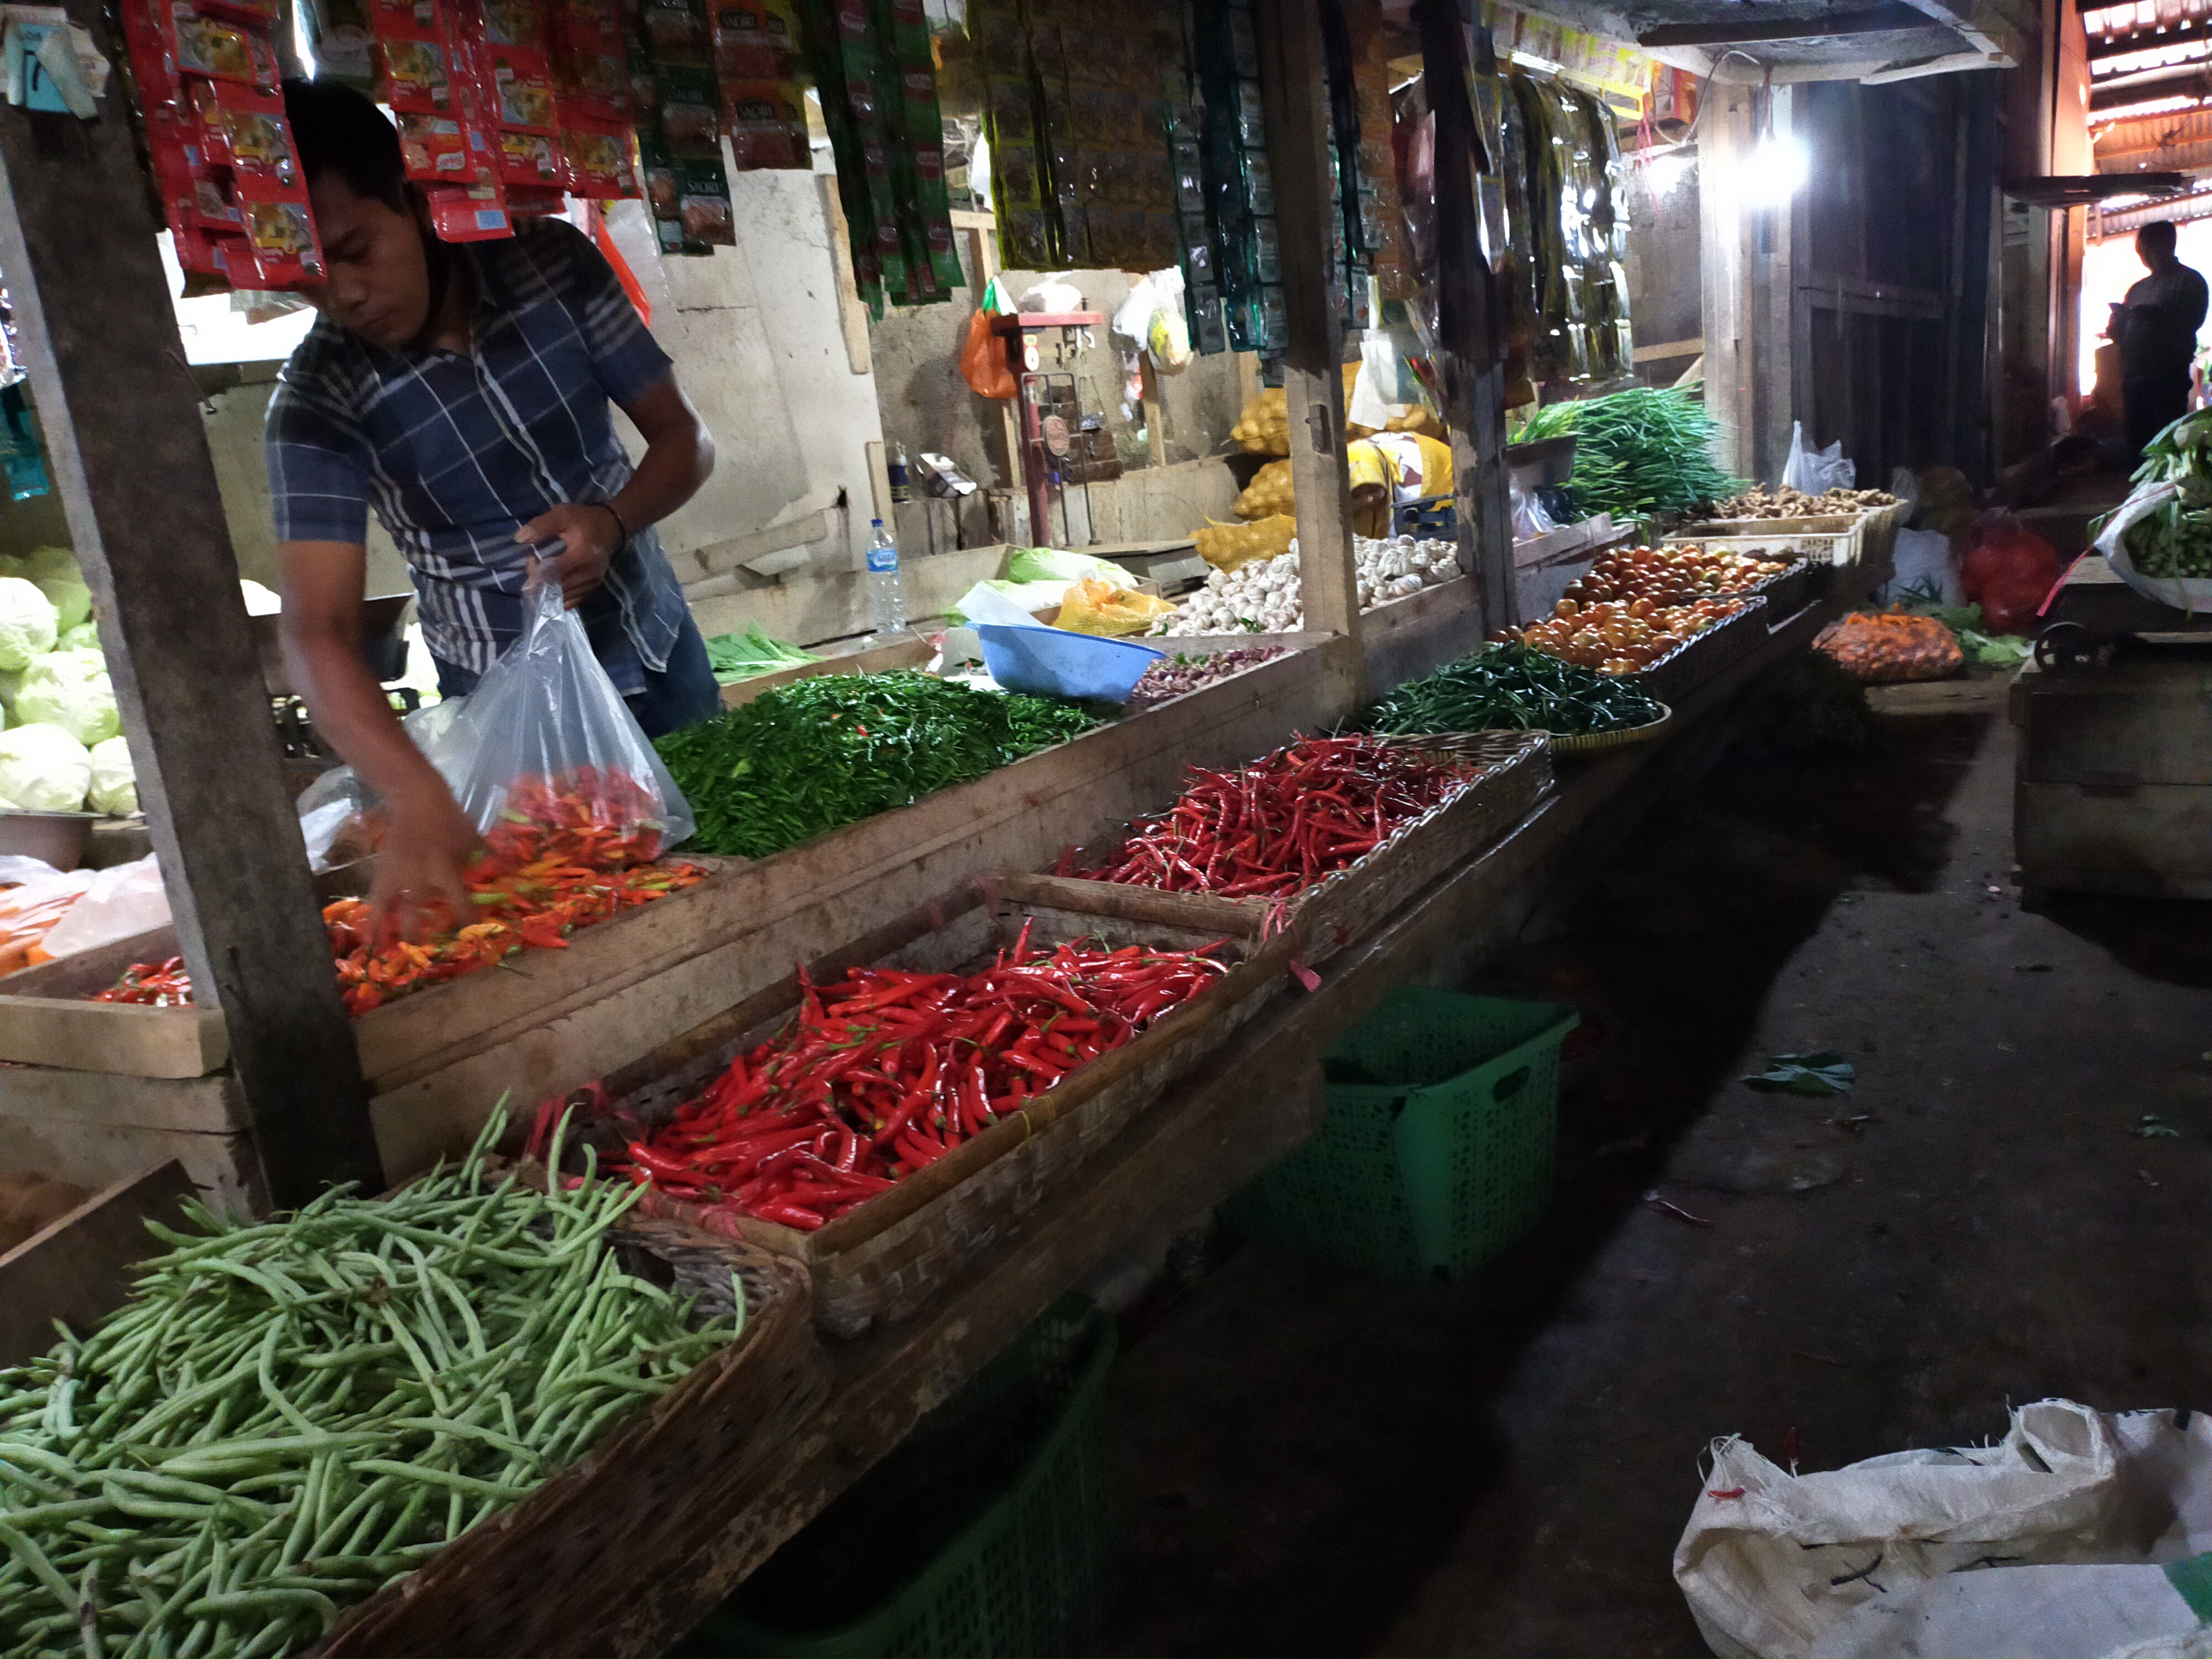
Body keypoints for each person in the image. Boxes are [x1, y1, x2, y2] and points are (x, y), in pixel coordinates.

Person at [268, 78, 719, 936]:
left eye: (355, 249)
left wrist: (612, 519)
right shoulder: (317, 402)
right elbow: (313, 632)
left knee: (727, 890)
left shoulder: (549, 264)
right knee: (575, 941)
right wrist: (414, 789)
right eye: (310, 281)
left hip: (659, 655)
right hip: (510, 722)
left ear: (411, 196)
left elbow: (684, 440)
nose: (346, 296)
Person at [2114, 219, 2209, 457]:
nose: (2143, 254)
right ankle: (2139, 493)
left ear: (2167, 245)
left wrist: (2154, 317)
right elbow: (2120, 336)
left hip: (2168, 380)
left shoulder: (2190, 281)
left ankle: (2167, 490)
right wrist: (2117, 323)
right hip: (2134, 378)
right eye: (2141, 249)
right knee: (2138, 446)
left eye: (2146, 247)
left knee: (2166, 446)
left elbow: (2190, 323)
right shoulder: (2138, 289)